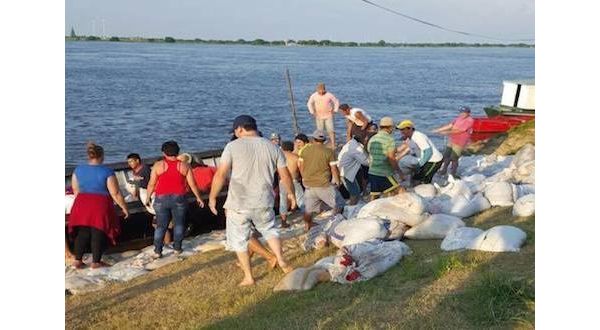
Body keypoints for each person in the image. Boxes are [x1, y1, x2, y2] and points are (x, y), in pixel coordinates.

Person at [208, 115, 296, 286]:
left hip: (238, 202)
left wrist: (212, 197)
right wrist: (291, 193)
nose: (235, 133)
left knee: (240, 239)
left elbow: (221, 174)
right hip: (264, 199)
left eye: (235, 130)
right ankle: (282, 261)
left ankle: (249, 277)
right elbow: (284, 174)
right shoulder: (272, 147)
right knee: (270, 231)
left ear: (240, 129)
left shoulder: (232, 146)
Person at [67, 142, 129, 269]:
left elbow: (75, 189)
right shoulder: (107, 171)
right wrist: (124, 207)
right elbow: (115, 192)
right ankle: (96, 262)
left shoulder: (78, 169)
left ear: (89, 156)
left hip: (82, 202)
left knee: (83, 232)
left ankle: (78, 260)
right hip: (99, 204)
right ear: (102, 156)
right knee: (98, 232)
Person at [145, 141, 205, 258]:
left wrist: (148, 197)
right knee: (179, 224)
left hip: (161, 198)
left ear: (163, 152)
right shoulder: (184, 165)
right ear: (178, 152)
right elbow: (193, 185)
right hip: (179, 197)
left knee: (161, 225)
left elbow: (151, 184)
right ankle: (177, 248)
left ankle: (158, 250)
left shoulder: (158, 165)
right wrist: (199, 198)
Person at [298, 130, 344, 231]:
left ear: (313, 139)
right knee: (339, 204)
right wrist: (338, 181)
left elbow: (301, 166)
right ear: (324, 140)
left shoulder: (305, 150)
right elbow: (333, 169)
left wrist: (304, 178)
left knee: (308, 210)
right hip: (323, 184)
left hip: (309, 185)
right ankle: (335, 225)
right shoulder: (328, 151)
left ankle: (307, 226)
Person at [396, 120, 444, 185]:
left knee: (421, 181)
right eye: (400, 130)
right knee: (414, 179)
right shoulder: (409, 138)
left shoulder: (418, 136)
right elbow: (404, 149)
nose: (401, 132)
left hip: (434, 161)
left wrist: (420, 165)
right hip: (425, 159)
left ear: (410, 129)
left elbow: (428, 152)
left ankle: (431, 192)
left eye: (403, 130)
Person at [432, 106, 475, 177]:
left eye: (464, 112)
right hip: (452, 139)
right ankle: (444, 170)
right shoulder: (458, 118)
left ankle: (453, 173)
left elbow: (460, 130)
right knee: (446, 155)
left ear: (468, 113)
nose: (462, 114)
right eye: (461, 112)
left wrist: (447, 132)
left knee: (454, 157)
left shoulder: (470, 120)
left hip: (460, 142)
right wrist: (438, 130)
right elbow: (450, 125)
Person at [366, 117, 402, 200]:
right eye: (392, 128)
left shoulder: (372, 139)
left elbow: (370, 153)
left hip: (372, 172)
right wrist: (399, 172)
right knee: (400, 191)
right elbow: (391, 158)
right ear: (390, 128)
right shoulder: (390, 139)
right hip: (384, 173)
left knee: (375, 196)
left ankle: (370, 211)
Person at [279, 141, 305, 227]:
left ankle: (283, 222)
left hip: (282, 181)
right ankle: (307, 219)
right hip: (293, 181)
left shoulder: (279, 157)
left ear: (282, 148)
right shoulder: (296, 157)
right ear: (292, 148)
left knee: (283, 201)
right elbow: (301, 170)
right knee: (301, 200)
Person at [338, 136, 370, 205]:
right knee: (355, 194)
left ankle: (350, 207)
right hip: (348, 174)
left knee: (354, 193)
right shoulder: (356, 148)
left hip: (344, 171)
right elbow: (366, 162)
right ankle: (350, 209)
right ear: (363, 139)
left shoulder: (351, 143)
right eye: (367, 139)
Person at [306, 83, 340, 148]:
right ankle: (320, 144)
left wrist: (335, 110)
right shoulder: (314, 95)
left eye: (322, 90)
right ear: (317, 90)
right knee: (320, 131)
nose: (321, 92)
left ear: (324, 89)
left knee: (331, 130)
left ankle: (333, 144)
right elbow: (309, 103)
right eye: (319, 90)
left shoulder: (329, 95)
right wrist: (313, 112)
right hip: (319, 116)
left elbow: (336, 102)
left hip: (329, 115)